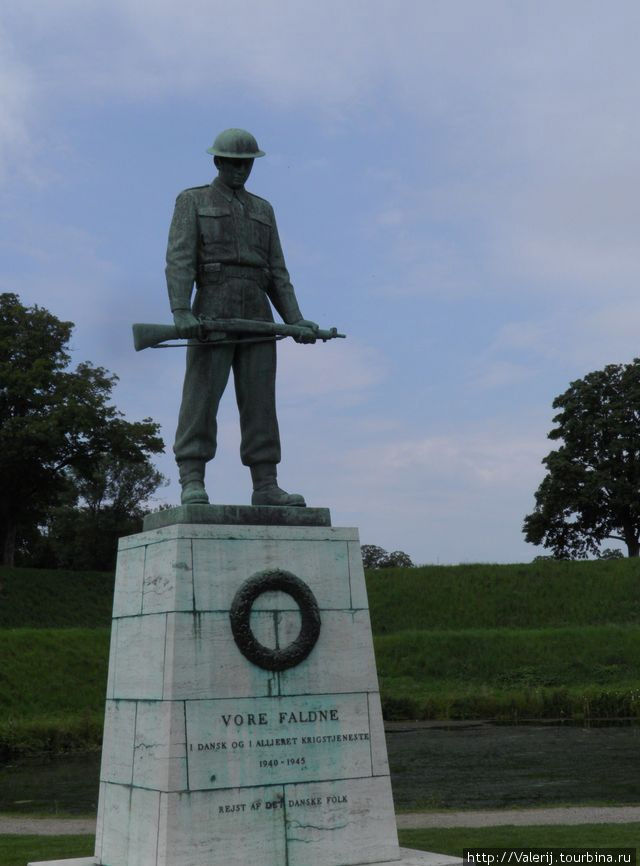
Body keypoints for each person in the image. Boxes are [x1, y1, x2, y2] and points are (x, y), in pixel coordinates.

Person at [166, 128, 318, 507]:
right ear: (217, 161)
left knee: (260, 400)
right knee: (201, 397)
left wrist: (296, 318)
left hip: (257, 308)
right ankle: (192, 478)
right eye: (233, 163)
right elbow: (180, 260)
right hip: (213, 305)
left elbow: (277, 271)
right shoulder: (192, 200)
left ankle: (266, 483)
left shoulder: (263, 209)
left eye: (246, 164)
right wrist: (181, 309)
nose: (240, 170)